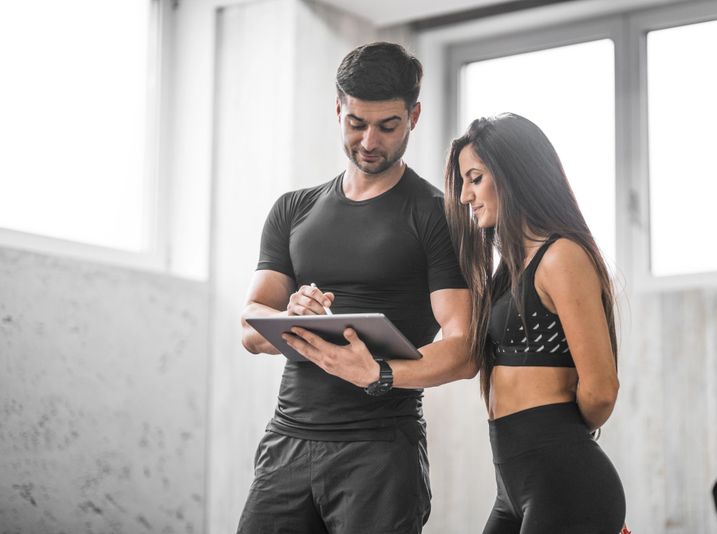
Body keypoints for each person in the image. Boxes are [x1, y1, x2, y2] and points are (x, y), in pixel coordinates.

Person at [236, 42, 475, 534]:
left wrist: (378, 372)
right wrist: (291, 317)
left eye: (388, 126)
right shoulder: (292, 209)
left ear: (414, 117)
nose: (369, 141)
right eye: (356, 123)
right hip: (286, 444)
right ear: (338, 109)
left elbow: (465, 347)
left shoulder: (439, 215)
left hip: (379, 450)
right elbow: (250, 327)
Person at [444, 113, 626, 534]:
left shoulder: (561, 257)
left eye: (475, 179)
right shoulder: (508, 271)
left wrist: (557, 435)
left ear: (513, 174)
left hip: (564, 482)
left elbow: (602, 390)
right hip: (513, 487)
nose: (465, 196)